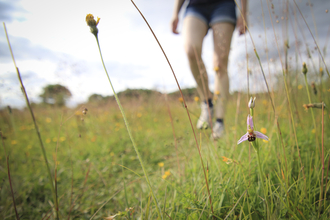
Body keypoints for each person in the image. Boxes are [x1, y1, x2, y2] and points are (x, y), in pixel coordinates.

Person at [171, 0, 247, 139]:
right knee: (190, 50)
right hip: (195, 6)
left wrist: (243, 13)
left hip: (224, 4)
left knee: (220, 63)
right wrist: (175, 12)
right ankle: (207, 103)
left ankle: (219, 122)